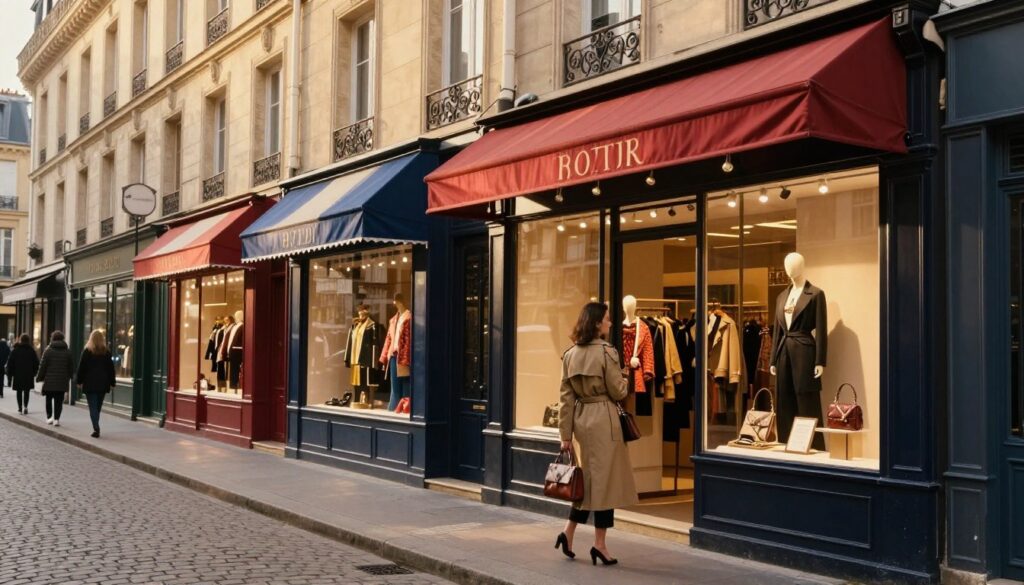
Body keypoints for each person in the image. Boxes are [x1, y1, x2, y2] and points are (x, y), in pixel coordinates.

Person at [555, 302, 638, 566]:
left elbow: (565, 399)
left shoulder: (569, 355)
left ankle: (568, 533)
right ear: (597, 323)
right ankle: (600, 544)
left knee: (587, 483)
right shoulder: (607, 352)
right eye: (607, 319)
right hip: (604, 420)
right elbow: (618, 391)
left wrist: (565, 436)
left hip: (581, 420)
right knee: (606, 484)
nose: (611, 323)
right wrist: (627, 378)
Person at [76, 330, 116, 438]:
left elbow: (81, 368)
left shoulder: (87, 351)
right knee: (98, 406)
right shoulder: (106, 352)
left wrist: (79, 381)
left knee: (93, 407)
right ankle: (96, 425)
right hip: (103, 384)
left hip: (90, 383)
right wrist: (112, 382)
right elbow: (111, 369)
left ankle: (96, 428)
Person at [36, 331, 74, 427]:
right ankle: (57, 419)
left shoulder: (48, 350)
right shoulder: (68, 352)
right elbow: (71, 367)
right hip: (62, 381)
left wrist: (39, 377)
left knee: (48, 399)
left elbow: (42, 366)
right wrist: (71, 377)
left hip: (49, 381)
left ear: (52, 338)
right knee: (59, 401)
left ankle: (49, 417)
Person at [6, 334, 39, 414]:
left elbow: (10, 363)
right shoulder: (31, 350)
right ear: (28, 340)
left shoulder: (15, 350)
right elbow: (36, 363)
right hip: (28, 375)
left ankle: (20, 408)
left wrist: (11, 374)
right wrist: (34, 372)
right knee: (27, 391)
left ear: (20, 340)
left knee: (19, 391)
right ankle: (25, 406)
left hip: (18, 375)